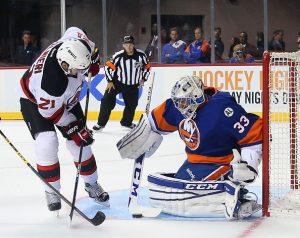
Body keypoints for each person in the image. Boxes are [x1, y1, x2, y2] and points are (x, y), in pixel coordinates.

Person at [118, 75, 262, 219]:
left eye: (183, 102)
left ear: (197, 97)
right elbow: (154, 122)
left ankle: (234, 194)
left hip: (222, 161)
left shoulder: (223, 108)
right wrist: (144, 132)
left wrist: (250, 164)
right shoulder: (176, 108)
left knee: (186, 197)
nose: (180, 106)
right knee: (175, 189)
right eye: (178, 102)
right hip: (194, 162)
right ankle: (224, 194)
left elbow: (254, 131)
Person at [19, 26, 109, 212]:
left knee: (81, 143)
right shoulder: (51, 84)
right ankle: (52, 189)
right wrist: (73, 129)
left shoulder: (74, 43)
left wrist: (93, 56)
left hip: (67, 99)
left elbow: (75, 30)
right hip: (35, 102)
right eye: (79, 70)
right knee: (47, 141)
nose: (82, 73)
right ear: (65, 65)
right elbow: (52, 114)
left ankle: (92, 183)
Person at [93, 35, 151, 131]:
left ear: (133, 45)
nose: (128, 46)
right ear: (123, 45)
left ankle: (126, 122)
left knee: (132, 105)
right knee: (106, 101)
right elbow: (107, 67)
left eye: (130, 44)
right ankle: (100, 124)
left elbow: (147, 67)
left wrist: (144, 78)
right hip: (117, 83)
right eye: (126, 44)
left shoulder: (141, 55)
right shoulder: (118, 56)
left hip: (133, 85)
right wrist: (110, 81)